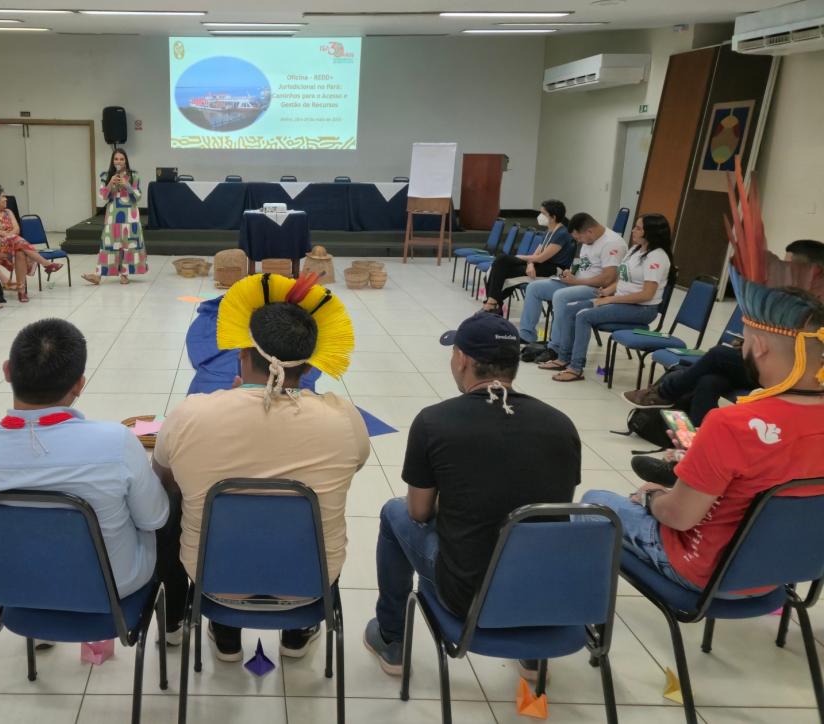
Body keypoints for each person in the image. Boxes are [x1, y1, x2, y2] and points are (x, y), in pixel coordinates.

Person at [153, 273, 370, 660]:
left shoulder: (192, 414)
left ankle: (224, 630)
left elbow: (165, 481)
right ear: (310, 366)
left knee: (175, 506)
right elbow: (351, 470)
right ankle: (298, 630)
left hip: (211, 580)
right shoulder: (344, 419)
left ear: (241, 354)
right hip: (311, 580)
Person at [363, 312, 581, 679]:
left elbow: (418, 512)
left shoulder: (435, 422)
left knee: (394, 512)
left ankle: (392, 636)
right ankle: (531, 650)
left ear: (462, 359)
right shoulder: (561, 423)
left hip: (468, 595)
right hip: (543, 592)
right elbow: (552, 507)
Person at [582, 274, 824, 602]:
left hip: (710, 574)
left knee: (595, 499)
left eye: (745, 339)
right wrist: (704, 457)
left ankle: (580, 614)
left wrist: (653, 497)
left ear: (761, 345)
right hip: (787, 572)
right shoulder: (739, 425)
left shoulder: (731, 423)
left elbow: (679, 518)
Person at [0, 318, 169, 602]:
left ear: (7, 371)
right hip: (109, 588)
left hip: (17, 587)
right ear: (79, 385)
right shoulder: (116, 442)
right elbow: (155, 517)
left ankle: (41, 628)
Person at [626, 239, 824, 486]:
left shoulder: (814, 309)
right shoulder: (791, 300)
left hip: (792, 378)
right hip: (765, 363)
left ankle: (667, 391)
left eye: (790, 266)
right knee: (709, 381)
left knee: (718, 355)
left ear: (813, 272)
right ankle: (692, 454)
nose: (783, 271)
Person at [541, 213, 673, 382]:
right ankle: (562, 357)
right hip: (621, 301)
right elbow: (623, 279)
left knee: (583, 316)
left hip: (642, 309)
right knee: (569, 309)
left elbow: (647, 294)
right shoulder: (635, 250)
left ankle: (575, 367)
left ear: (651, 232)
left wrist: (610, 299)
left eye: (638, 228)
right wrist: (607, 291)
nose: (633, 230)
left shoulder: (657, 257)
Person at [521, 213, 628, 362]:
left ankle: (556, 347)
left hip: (597, 290)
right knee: (534, 288)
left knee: (561, 296)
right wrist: (569, 273)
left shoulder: (612, 243)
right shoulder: (589, 240)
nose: (578, 241)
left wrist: (575, 282)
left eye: (579, 238)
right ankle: (526, 336)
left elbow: (607, 279)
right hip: (577, 283)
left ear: (589, 231)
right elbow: (581, 265)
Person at [481, 199, 576, 313]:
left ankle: (492, 303)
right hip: (539, 264)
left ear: (553, 217)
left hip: (552, 269)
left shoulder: (561, 234)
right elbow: (535, 255)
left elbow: (541, 258)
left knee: (502, 266)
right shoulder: (549, 231)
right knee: (501, 262)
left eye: (543, 213)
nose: (540, 216)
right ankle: (493, 303)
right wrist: (530, 264)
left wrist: (521, 257)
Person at [0, 184, 61, 303]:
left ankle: (22, 291)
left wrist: (10, 237)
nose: (6, 199)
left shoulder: (8, 212)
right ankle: (46, 264)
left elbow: (17, 229)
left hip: (11, 243)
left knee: (20, 251)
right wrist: (10, 237)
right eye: (3, 196)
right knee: (16, 241)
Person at [82, 149, 147, 286]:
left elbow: (138, 196)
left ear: (126, 161)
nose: (119, 161)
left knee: (128, 244)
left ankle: (124, 274)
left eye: (122, 159)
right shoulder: (106, 176)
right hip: (113, 215)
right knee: (108, 243)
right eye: (116, 159)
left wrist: (127, 185)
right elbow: (103, 196)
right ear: (112, 161)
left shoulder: (134, 175)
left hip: (130, 215)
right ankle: (98, 275)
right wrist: (111, 182)